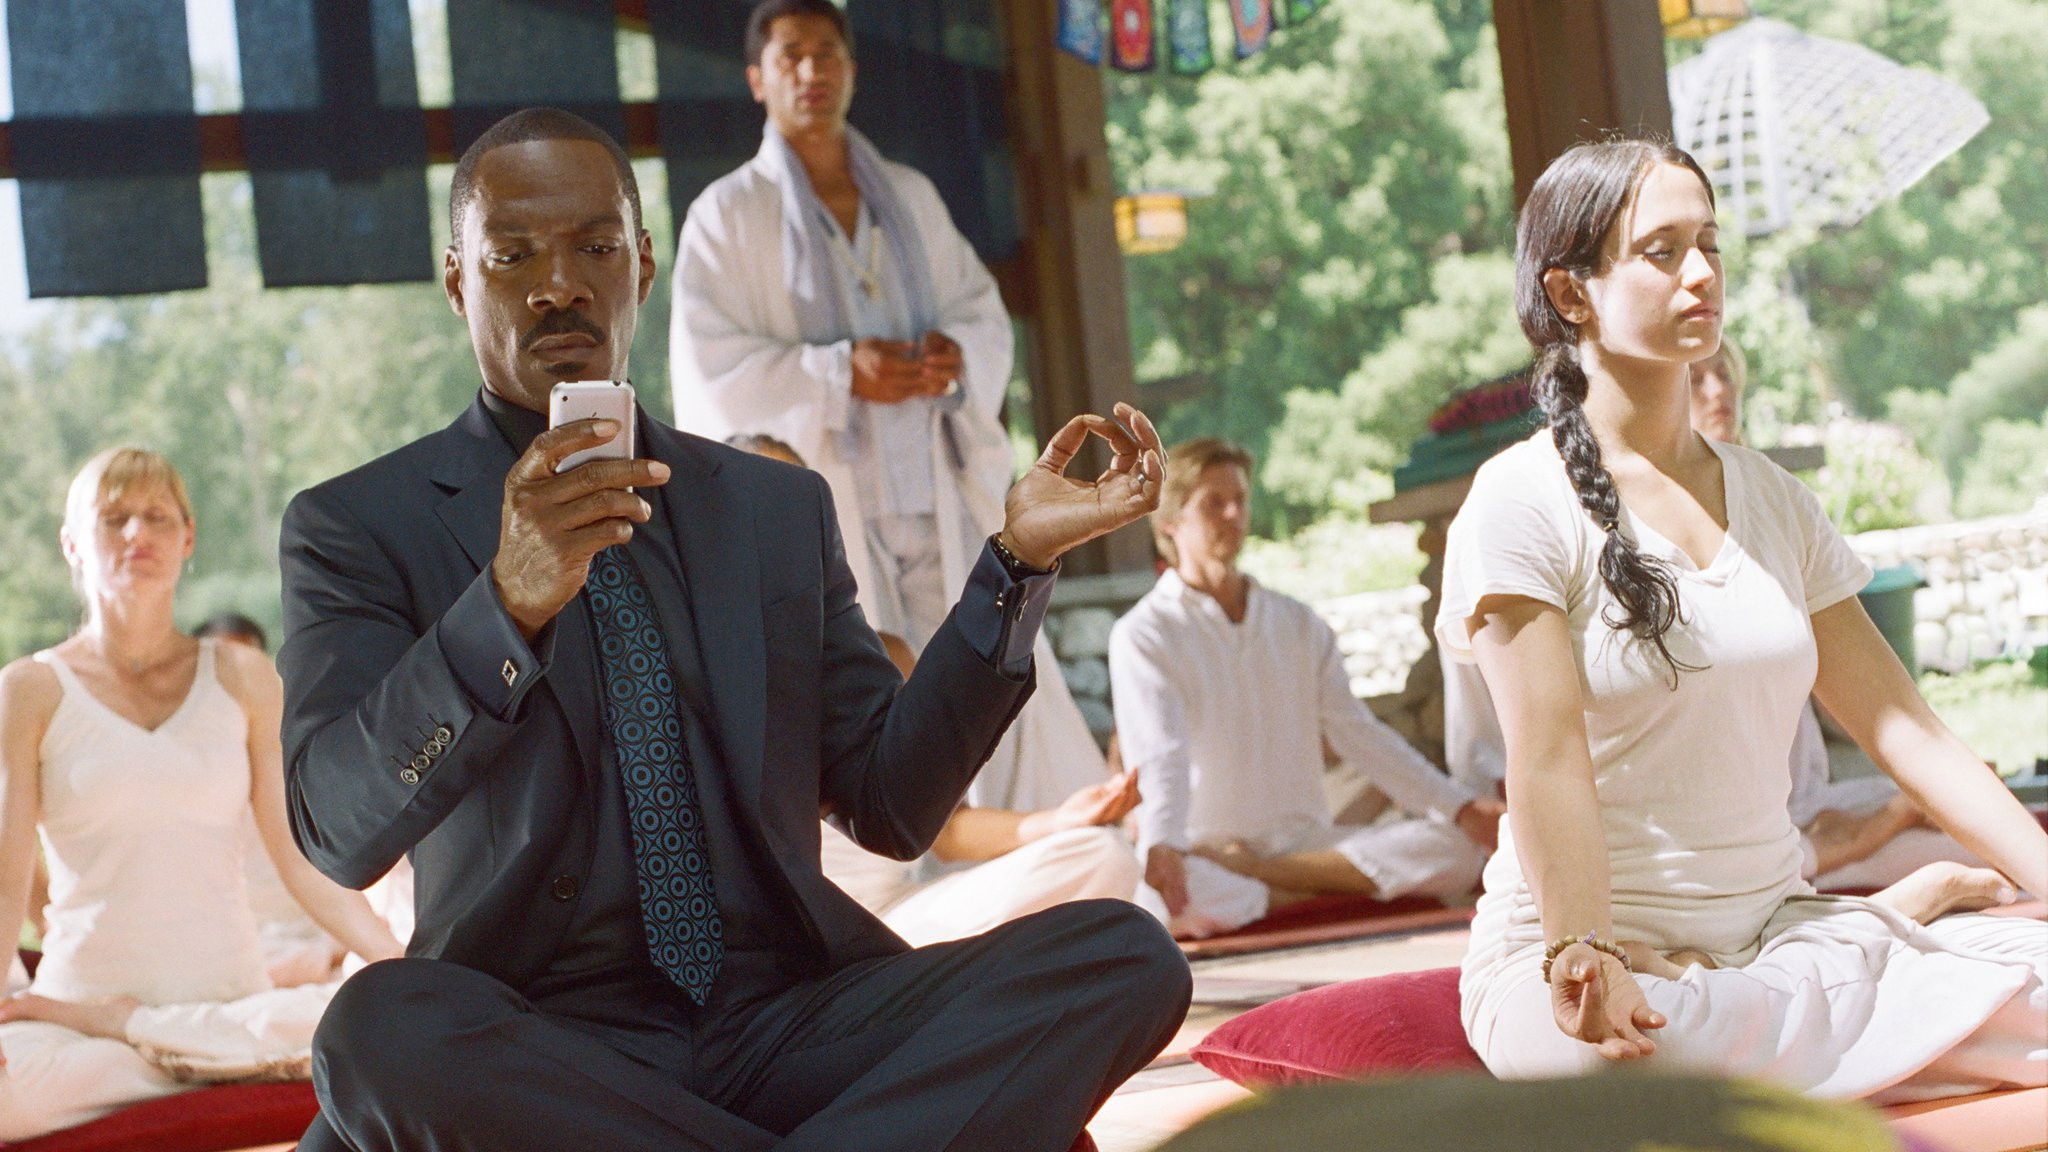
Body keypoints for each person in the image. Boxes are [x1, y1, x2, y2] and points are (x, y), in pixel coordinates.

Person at [278, 107, 1187, 1152]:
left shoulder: (769, 510)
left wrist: (1015, 564)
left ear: (643, 265)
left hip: (787, 1019)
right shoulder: (359, 526)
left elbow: (891, 806)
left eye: (594, 247)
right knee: (375, 1031)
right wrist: (506, 605)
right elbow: (336, 831)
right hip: (545, 1045)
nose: (558, 285)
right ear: (456, 283)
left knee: (1124, 956)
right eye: (512, 255)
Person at [1443, 138, 2045, 1101]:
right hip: (1587, 955)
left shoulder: (1773, 499)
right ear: (1570, 293)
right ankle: (1861, 969)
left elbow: (1909, 732)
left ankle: (1844, 968)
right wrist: (1585, 950)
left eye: (1710, 245)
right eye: (1662, 250)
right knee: (1631, 1061)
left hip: (1780, 934)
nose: (1702, 274)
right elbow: (1547, 759)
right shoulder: (1518, 501)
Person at [0, 448, 402, 1141]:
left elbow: (297, 857)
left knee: (369, 1025)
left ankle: (151, 1036)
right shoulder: (28, 690)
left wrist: (400, 965)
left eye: (157, 516)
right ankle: (216, 1063)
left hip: (232, 1004)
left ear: (187, 539)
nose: (138, 533)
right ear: (72, 544)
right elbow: (6, 884)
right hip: (81, 1018)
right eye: (114, 518)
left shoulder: (243, 676)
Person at [671, 0, 1014, 661]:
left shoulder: (910, 195)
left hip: (934, 486)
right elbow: (709, 368)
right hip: (829, 493)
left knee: (969, 685)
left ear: (852, 71)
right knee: (866, 685)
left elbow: (981, 310)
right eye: (791, 57)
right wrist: (837, 374)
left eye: (826, 54)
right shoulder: (726, 213)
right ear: (757, 79)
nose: (812, 72)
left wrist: (958, 355)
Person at [724, 434, 1146, 947]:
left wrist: (1060, 821)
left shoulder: (881, 653)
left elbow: (945, 830)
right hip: (786, 941)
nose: (778, 523)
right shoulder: (702, 666)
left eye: (790, 501)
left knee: (1104, 859)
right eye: (756, 507)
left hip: (896, 918)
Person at [1111, 437, 1505, 940]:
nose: (1234, 515)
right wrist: (1163, 844)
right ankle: (1319, 888)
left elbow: (1358, 734)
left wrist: (1460, 808)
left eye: (1240, 500)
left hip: (1305, 843)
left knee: (1457, 848)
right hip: (1205, 849)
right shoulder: (1144, 634)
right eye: (1215, 503)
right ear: (1170, 521)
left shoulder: (1296, 622)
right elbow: (1160, 755)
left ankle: (1267, 880)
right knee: (1160, 897)